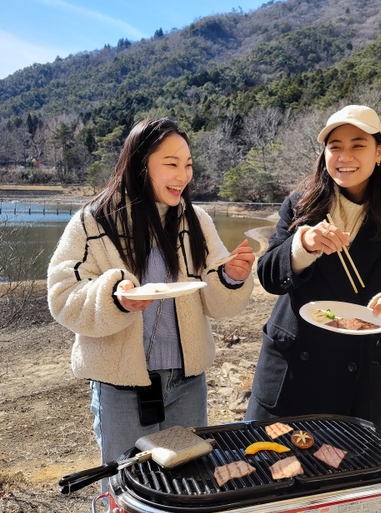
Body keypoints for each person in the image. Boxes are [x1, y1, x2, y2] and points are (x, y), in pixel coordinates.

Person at [48, 117, 255, 473]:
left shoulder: (196, 221)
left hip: (187, 383)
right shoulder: (94, 221)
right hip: (121, 387)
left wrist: (232, 277)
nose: (183, 175)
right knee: (129, 484)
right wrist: (114, 296)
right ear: (140, 164)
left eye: (188, 165)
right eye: (171, 164)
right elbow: (62, 295)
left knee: (189, 482)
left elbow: (217, 297)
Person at [246, 105, 381, 426]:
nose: (345, 156)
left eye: (358, 145)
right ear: (325, 154)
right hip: (290, 370)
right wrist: (303, 247)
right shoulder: (300, 205)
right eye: (335, 147)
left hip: (356, 377)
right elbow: (269, 276)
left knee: (346, 472)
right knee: (266, 465)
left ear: (379, 152)